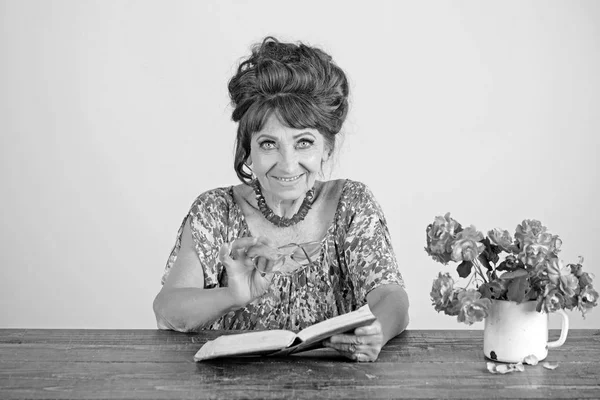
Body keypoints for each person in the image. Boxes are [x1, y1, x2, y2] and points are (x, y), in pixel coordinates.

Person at [153, 37, 409, 362]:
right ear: (249, 151)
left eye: (304, 142)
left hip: (334, 387)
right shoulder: (214, 210)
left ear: (327, 148)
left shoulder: (352, 204)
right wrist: (232, 295)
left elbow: (392, 298)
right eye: (269, 144)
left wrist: (377, 333)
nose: (288, 165)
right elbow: (166, 309)